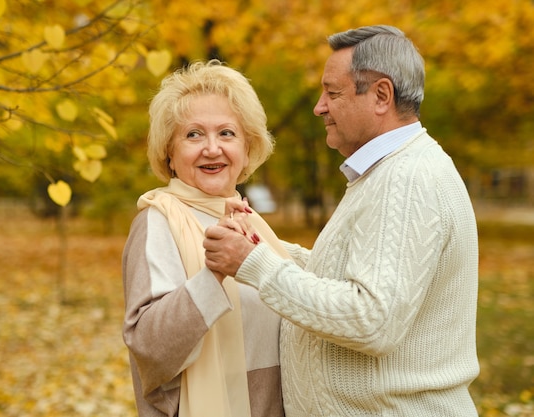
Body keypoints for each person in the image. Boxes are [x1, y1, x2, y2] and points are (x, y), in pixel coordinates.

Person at [204, 25, 480, 416]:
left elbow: (370, 319)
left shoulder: (407, 179)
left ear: (381, 96)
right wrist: (268, 248)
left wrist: (254, 264)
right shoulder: (389, 172)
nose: (319, 106)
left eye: (333, 93)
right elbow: (352, 275)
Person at [121, 59, 288, 417]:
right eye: (193, 135)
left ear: (247, 147)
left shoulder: (252, 222)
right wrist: (214, 273)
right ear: (169, 151)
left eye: (226, 133)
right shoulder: (158, 221)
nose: (212, 148)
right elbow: (149, 345)